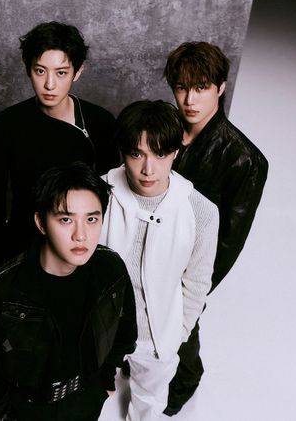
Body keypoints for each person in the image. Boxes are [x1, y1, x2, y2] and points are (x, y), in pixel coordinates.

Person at [0, 162, 137, 421]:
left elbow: (124, 333)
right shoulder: (1, 290)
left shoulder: (110, 269)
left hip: (86, 401)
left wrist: (103, 383)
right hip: (27, 412)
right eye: (66, 219)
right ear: (41, 223)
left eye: (91, 219)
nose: (81, 235)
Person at [162, 41, 269, 415]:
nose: (190, 100)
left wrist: (195, 286)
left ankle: (185, 381)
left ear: (221, 87)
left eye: (201, 88)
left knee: (182, 323)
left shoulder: (244, 159)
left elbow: (229, 241)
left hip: (190, 263)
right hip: (151, 243)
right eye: (181, 88)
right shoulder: (163, 131)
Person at [99, 100, 219, 419]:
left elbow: (197, 284)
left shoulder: (202, 212)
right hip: (102, 330)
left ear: (176, 152)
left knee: (149, 403)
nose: (148, 169)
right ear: (123, 152)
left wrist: (176, 335)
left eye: (160, 154)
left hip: (155, 338)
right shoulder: (97, 193)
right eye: (137, 154)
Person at [0, 21, 119, 263]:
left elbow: (109, 197)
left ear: (77, 72)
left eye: (61, 73)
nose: (49, 84)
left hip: (81, 247)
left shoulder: (100, 122)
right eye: (40, 71)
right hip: (22, 248)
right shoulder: (5, 125)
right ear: (28, 68)